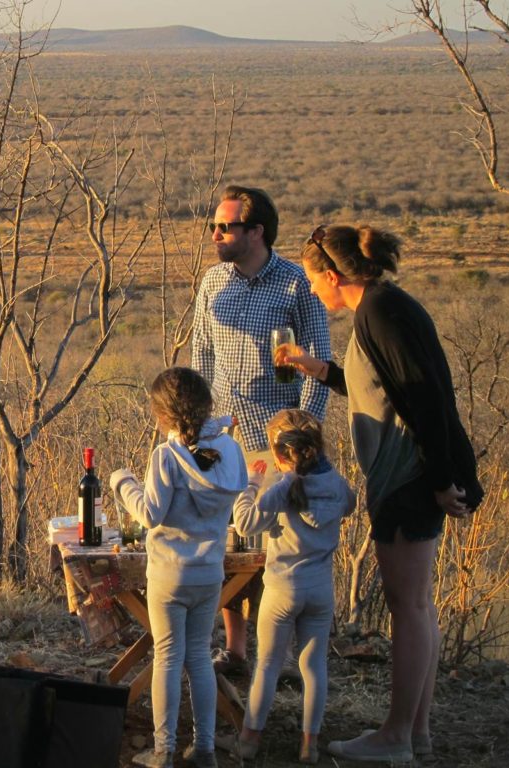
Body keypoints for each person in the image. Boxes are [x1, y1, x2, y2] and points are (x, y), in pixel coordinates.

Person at [281, 224, 484, 763]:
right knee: (417, 605)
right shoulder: (383, 306)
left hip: (407, 478)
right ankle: (415, 733)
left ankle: (395, 736)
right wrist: (316, 369)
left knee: (408, 605)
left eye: (311, 280)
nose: (313, 291)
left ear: (331, 275)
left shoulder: (379, 314)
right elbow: (382, 384)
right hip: (410, 475)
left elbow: (427, 400)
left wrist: (441, 481)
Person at [191, 184, 331, 677]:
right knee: (231, 545)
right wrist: (198, 429)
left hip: (281, 439)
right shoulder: (212, 283)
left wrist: (304, 439)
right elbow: (201, 356)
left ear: (257, 232)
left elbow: (320, 361)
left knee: (283, 551)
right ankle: (236, 652)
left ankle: (282, 659)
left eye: (225, 226)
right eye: (215, 225)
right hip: (224, 435)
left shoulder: (296, 284)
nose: (215, 234)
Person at [110, 368, 248, 768]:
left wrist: (123, 483)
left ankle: (163, 751)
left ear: (163, 415)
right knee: (200, 658)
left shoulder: (166, 457)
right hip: (209, 572)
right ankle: (204, 749)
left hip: (170, 574)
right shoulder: (230, 453)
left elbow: (150, 514)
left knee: (168, 657)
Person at [223, 409, 355, 765]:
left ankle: (249, 740)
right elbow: (352, 504)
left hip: (282, 588)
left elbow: (247, 520)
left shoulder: (283, 489)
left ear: (281, 455)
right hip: (320, 590)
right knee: (314, 667)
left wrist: (251, 484)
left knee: (267, 663)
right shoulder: (337, 485)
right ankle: (309, 744)